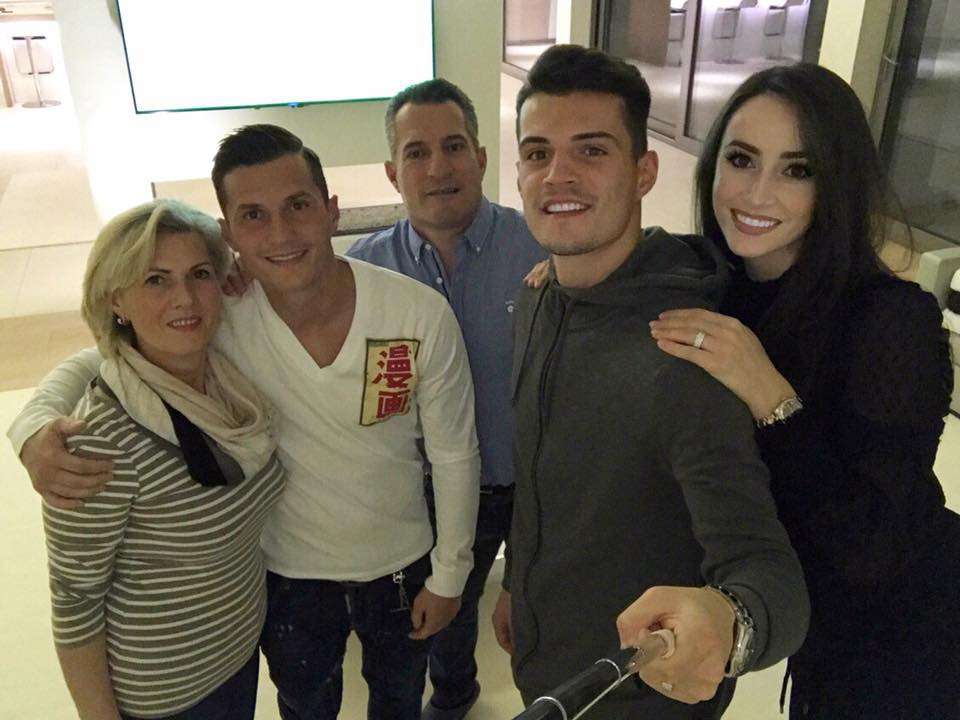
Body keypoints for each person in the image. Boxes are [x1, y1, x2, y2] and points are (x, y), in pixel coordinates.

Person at [8, 125, 481, 720]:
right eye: (254, 215)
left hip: (401, 563)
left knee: (398, 700)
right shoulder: (218, 313)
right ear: (228, 233)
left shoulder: (416, 314)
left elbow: (454, 453)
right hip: (285, 577)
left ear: (332, 210)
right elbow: (108, 356)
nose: (280, 233)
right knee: (305, 706)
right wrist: (31, 426)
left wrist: (450, 573)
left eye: (298, 206)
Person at [637, 63, 960, 718]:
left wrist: (770, 395)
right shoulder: (723, 280)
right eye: (741, 159)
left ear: (835, 185)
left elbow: (874, 545)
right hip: (815, 627)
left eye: (797, 170)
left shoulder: (892, 321)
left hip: (913, 630)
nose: (757, 194)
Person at [497, 44, 808, 720]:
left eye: (591, 150)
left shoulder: (682, 355)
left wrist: (730, 627)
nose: (558, 175)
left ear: (644, 172)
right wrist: (517, 582)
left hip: (644, 695)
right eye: (538, 152)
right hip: (545, 663)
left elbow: (769, 575)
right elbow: (538, 470)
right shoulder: (539, 300)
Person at [346, 78, 546, 720]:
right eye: (416, 152)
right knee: (444, 616)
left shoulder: (540, 248)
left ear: (482, 158)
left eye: (454, 146)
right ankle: (456, 694)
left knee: (539, 615)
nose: (438, 168)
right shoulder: (361, 273)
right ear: (392, 172)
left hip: (531, 484)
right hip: (426, 493)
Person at [44, 199, 285, 720]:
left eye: (199, 274)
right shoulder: (99, 440)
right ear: (116, 300)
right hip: (167, 693)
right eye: (156, 280)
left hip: (238, 651)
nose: (185, 298)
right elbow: (74, 599)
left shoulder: (232, 384)